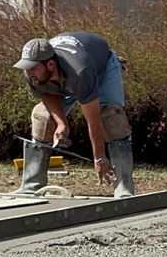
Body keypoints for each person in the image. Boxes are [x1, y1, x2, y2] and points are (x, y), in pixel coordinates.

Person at [13, 32, 134, 198]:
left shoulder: (80, 71)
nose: (28, 72)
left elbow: (94, 120)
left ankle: (124, 187)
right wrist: (61, 123)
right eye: (26, 67)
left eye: (33, 67)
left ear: (50, 64)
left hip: (102, 68)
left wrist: (99, 157)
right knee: (42, 117)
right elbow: (47, 94)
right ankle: (31, 185)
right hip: (68, 75)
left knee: (112, 118)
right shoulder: (33, 74)